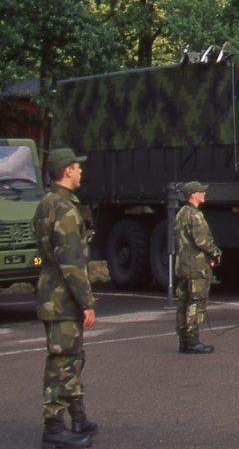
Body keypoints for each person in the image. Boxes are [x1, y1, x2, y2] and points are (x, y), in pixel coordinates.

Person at [35, 148, 98, 448]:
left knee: (72, 357)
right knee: (62, 362)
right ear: (67, 171)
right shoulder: (65, 209)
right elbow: (72, 262)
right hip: (63, 298)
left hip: (52, 293)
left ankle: (78, 418)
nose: (81, 171)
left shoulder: (47, 203)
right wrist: (87, 303)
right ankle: (55, 426)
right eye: (77, 166)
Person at [174, 181, 221, 355]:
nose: (204, 193)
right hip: (196, 268)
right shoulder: (195, 215)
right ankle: (192, 341)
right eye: (201, 191)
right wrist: (216, 252)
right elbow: (202, 241)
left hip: (182, 267)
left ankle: (183, 340)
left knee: (183, 303)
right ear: (192, 195)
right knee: (196, 303)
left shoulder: (180, 214)